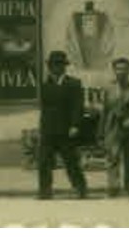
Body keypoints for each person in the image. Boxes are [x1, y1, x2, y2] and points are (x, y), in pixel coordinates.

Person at [36, 50, 89, 200]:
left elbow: (77, 107)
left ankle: (81, 188)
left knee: (71, 162)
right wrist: (41, 127)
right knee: (44, 161)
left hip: (66, 130)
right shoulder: (45, 85)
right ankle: (45, 191)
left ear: (64, 67)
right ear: (49, 66)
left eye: (59, 65)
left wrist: (75, 125)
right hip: (48, 130)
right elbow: (44, 108)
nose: (56, 68)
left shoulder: (73, 84)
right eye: (53, 65)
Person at [100, 57, 129, 196]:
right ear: (114, 70)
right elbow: (105, 110)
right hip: (113, 127)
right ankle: (113, 187)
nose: (121, 72)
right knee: (112, 158)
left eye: (124, 69)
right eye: (118, 69)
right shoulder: (109, 88)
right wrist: (101, 131)